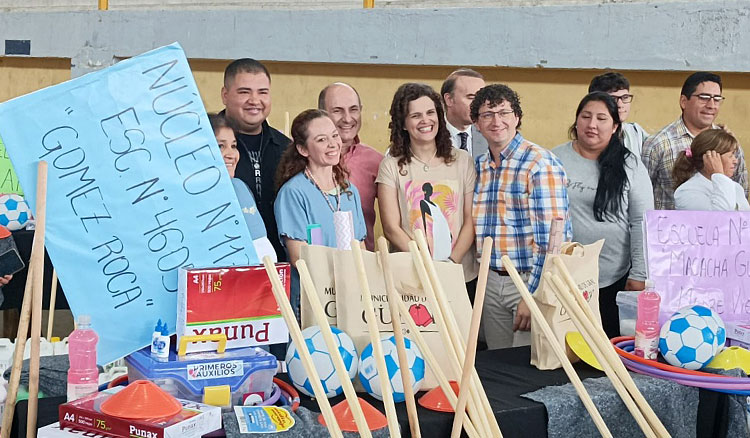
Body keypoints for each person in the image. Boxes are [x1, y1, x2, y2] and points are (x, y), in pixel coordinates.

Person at [470, 84, 571, 349]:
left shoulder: (539, 163)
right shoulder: (479, 166)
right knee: (498, 362)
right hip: (490, 280)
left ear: (517, 117)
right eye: (487, 114)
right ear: (476, 123)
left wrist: (533, 294)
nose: (497, 121)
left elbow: (553, 239)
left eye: (504, 112)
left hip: (526, 280)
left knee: (529, 364)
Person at [553, 92, 654, 339]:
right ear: (576, 121)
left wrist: (638, 274)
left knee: (608, 352)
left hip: (614, 278)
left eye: (601, 118)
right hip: (565, 276)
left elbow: (642, 220)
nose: (592, 125)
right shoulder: (554, 159)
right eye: (585, 117)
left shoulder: (630, 164)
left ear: (615, 126)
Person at [376, 83, 477, 290]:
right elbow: (391, 227)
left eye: (431, 112)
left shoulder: (463, 161)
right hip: (411, 274)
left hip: (459, 274)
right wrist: (425, 264)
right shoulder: (391, 165)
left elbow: (470, 219)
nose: (425, 121)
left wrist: (450, 263)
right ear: (403, 124)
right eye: (415, 116)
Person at [642, 71, 748, 209]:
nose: (711, 105)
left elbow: (742, 190)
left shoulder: (729, 143)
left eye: (717, 99)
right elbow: (641, 197)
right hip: (672, 228)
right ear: (684, 101)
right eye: (704, 98)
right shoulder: (658, 144)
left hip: (724, 227)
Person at [275, 109, 367, 266]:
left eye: (335, 135)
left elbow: (361, 249)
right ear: (303, 149)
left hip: (351, 287)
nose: (332, 144)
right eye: (321, 140)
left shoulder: (349, 191)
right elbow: (299, 257)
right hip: (314, 288)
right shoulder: (293, 193)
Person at [221, 58, 290, 261]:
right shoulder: (206, 145)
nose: (254, 100)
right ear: (225, 95)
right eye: (244, 92)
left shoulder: (287, 148)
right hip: (225, 265)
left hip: (280, 268)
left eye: (262, 92)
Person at [318, 82, 383, 251]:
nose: (347, 118)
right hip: (313, 265)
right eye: (337, 110)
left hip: (361, 265)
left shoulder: (377, 162)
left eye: (353, 109)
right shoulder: (302, 158)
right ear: (321, 114)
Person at [208, 113, 277, 262]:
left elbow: (261, 247)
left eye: (233, 146)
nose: (231, 154)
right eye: (220, 146)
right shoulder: (187, 197)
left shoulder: (239, 188)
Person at [674, 129, 749, 211]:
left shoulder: (735, 187)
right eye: (731, 156)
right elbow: (721, 215)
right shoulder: (686, 191)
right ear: (711, 158)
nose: (736, 161)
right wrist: (718, 174)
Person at [588, 72, 648, 158]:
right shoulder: (590, 133)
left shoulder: (636, 132)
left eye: (625, 97)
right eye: (613, 99)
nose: (620, 105)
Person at [441, 68, 488, 159]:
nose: (478, 104)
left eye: (481, 98)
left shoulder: (489, 134)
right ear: (449, 99)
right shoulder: (429, 134)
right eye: (471, 98)